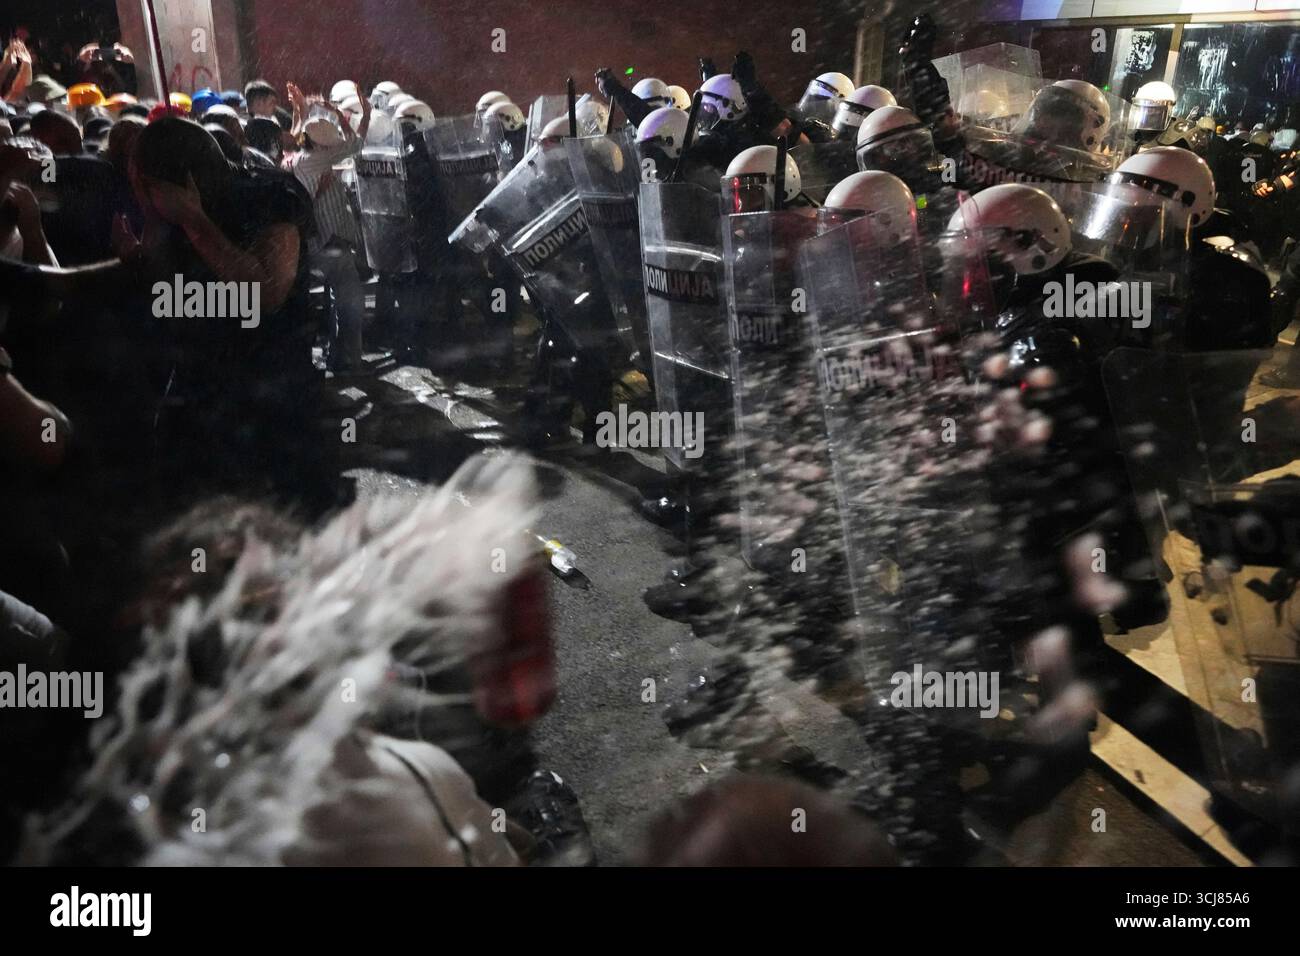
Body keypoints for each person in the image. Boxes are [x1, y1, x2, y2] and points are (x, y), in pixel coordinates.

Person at [284, 81, 371, 372]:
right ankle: (349, 360)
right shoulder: (319, 158)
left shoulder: (298, 160)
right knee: (350, 302)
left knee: (337, 299)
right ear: (321, 142)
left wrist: (301, 111)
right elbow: (355, 144)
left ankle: (338, 356)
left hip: (314, 242)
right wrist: (361, 115)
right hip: (330, 240)